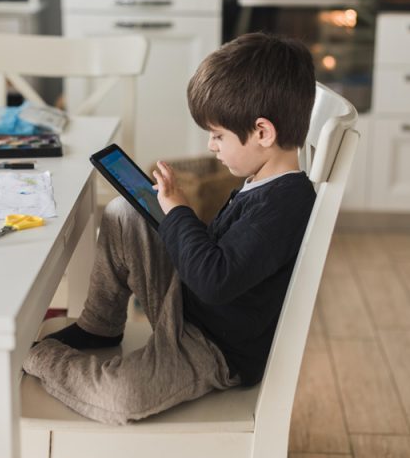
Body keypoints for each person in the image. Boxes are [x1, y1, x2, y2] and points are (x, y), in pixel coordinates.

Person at [23, 31, 317, 425]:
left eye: (218, 135)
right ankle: (100, 326)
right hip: (193, 307)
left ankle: (36, 356)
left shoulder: (284, 205)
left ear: (263, 132)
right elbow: (215, 260)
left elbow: (215, 280)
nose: (212, 146)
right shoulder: (262, 178)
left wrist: (179, 213)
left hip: (213, 349)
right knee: (125, 214)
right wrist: (171, 210)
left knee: (122, 396)